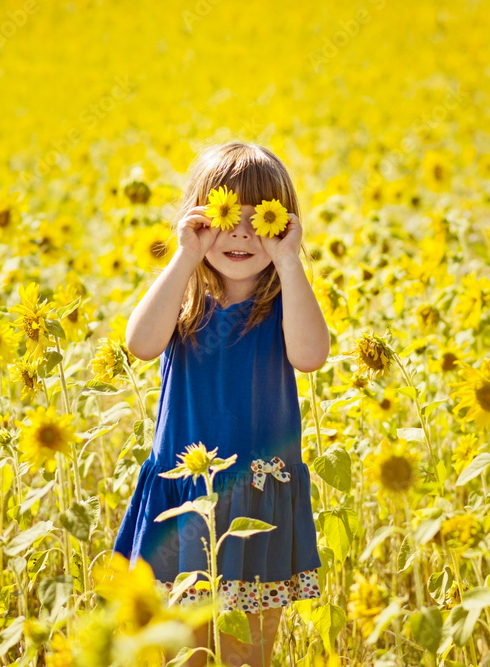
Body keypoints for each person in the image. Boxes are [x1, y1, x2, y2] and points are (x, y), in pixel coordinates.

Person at [111, 140, 331, 666]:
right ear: (198, 219)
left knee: (243, 655)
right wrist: (186, 254)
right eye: (226, 212)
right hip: (183, 502)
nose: (241, 232)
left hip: (256, 504)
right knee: (176, 654)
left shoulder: (281, 304)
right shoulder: (184, 303)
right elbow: (139, 343)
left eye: (265, 218)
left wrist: (290, 262)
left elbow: (311, 356)